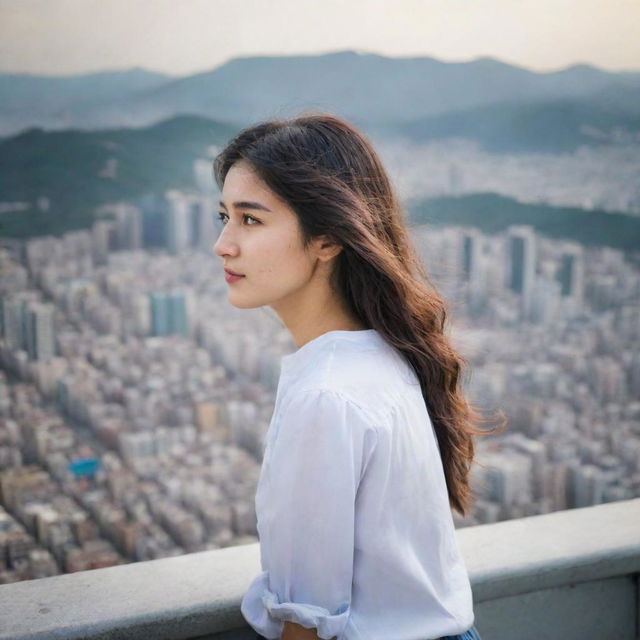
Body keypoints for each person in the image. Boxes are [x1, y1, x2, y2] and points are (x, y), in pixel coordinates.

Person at [212, 112, 504, 640]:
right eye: (223, 217)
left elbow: (306, 622)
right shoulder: (385, 355)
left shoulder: (326, 395)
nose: (224, 244)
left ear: (326, 239)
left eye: (250, 219)